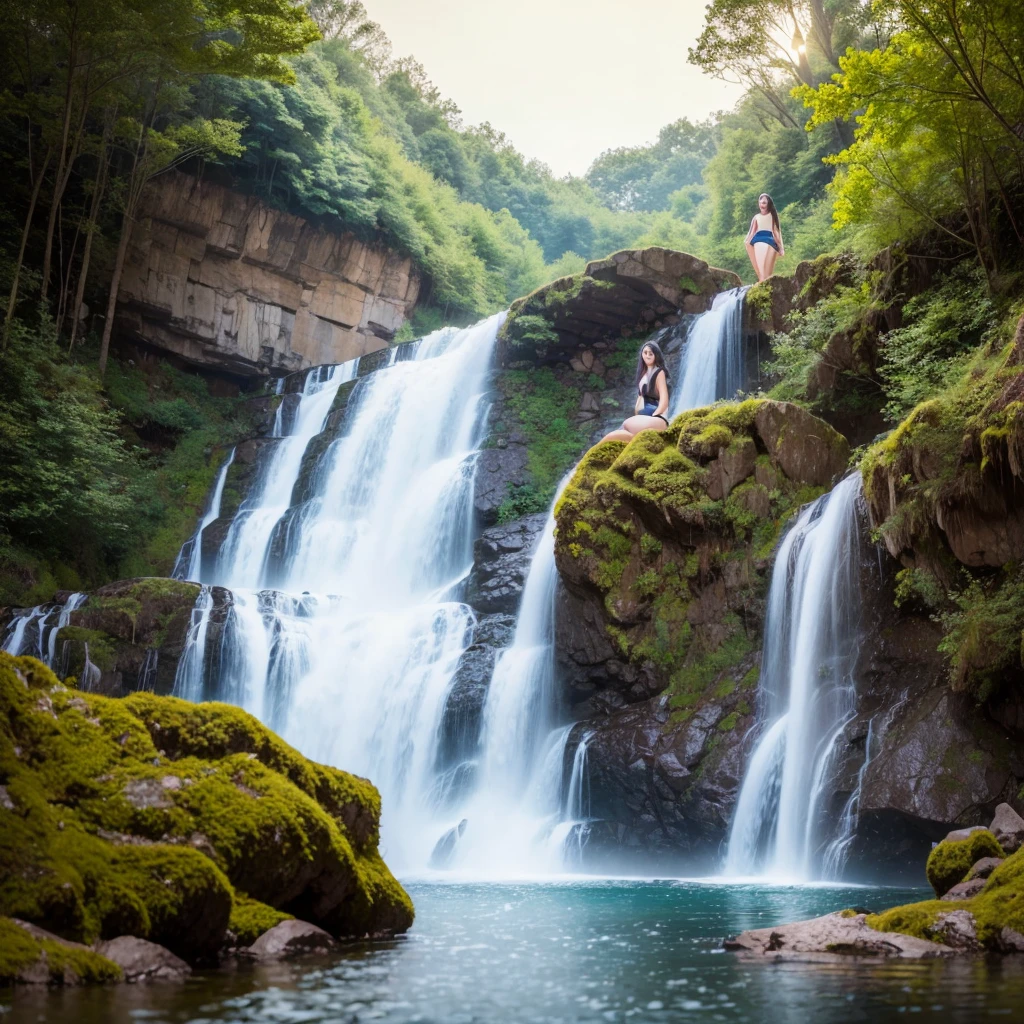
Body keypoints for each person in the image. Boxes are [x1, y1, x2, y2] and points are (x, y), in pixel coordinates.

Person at [600, 340, 670, 443]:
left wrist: (655, 415)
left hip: (657, 419)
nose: (647, 356)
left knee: (625, 426)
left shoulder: (659, 372)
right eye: (645, 353)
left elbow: (664, 400)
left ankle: (595, 451)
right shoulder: (644, 374)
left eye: (651, 353)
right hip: (645, 419)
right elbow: (640, 400)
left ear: (656, 355)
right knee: (623, 433)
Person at [745, 193, 784, 282]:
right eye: (760, 202)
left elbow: (776, 232)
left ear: (768, 204)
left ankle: (764, 280)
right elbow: (752, 232)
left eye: (764, 203)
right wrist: (747, 242)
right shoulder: (756, 217)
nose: (761, 205)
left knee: (767, 272)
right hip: (758, 239)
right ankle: (762, 280)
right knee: (761, 269)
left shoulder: (772, 216)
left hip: (769, 239)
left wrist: (781, 247)